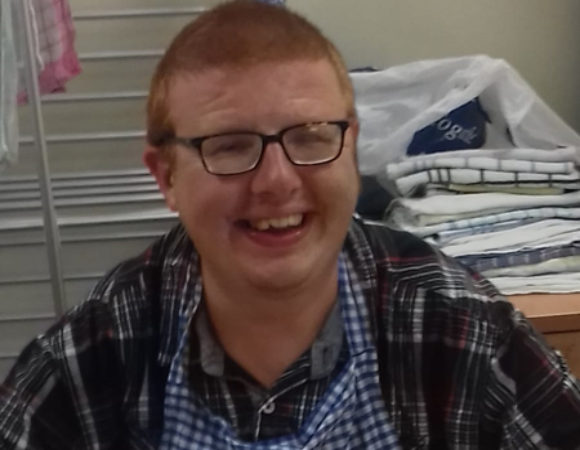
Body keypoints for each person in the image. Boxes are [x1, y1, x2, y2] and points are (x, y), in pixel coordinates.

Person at [2, 1, 580, 448]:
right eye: (229, 146)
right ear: (167, 176)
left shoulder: (465, 335)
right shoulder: (87, 364)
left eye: (310, 136)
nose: (277, 180)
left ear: (350, 146)